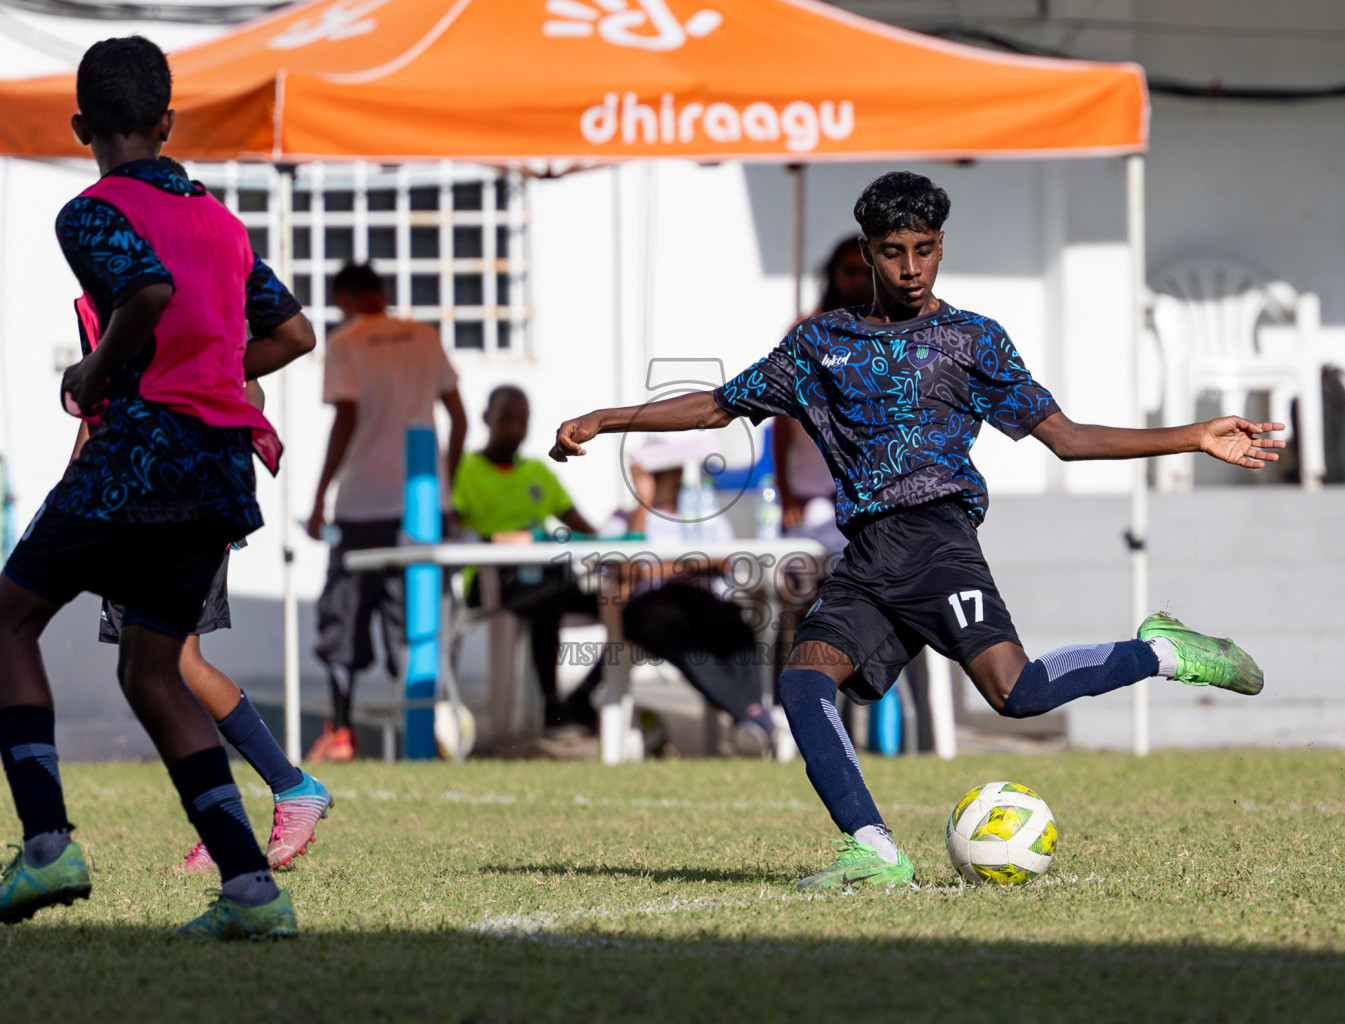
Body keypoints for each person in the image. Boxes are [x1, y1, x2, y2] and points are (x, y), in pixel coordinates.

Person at [552, 170, 1280, 892]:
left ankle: (1161, 651)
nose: (911, 268)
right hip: (866, 557)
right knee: (803, 685)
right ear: (867, 252)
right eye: (894, 251)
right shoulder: (820, 345)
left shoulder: (972, 340)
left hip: (937, 543)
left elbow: (1067, 438)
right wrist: (606, 418)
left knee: (1015, 693)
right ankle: (874, 850)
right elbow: (717, 408)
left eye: (926, 248)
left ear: (940, 245)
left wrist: (1195, 436)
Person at [0, 37, 315, 939]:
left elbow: (146, 290)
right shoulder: (224, 223)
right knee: (154, 671)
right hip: (221, 473)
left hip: (136, 460)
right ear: (167, 123)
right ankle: (250, 890)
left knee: (3, 621)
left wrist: (93, 372)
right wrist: (212, 368)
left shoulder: (88, 211)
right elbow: (293, 333)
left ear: (82, 127)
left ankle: (46, 845)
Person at [72, 277, 331, 874]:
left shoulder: (184, 297)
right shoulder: (105, 306)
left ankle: (283, 792)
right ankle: (242, 815)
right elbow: (95, 413)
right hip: (130, 503)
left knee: (170, 665)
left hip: (180, 505)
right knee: (151, 667)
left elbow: (251, 392)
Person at [306, 262, 467, 762]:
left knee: (344, 621)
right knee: (418, 620)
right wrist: (448, 486)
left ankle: (343, 733)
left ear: (344, 299)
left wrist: (319, 497)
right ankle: (429, 726)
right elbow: (459, 418)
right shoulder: (424, 337)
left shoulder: (344, 342)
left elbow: (347, 417)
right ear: (384, 292)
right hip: (422, 506)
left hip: (363, 506)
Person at [623, 452, 795, 760]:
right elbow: (629, 572)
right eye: (659, 471)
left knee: (734, 625)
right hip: (652, 609)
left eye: (672, 468)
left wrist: (669, 566)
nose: (669, 476)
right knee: (681, 636)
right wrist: (643, 504)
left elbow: (726, 559)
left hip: (698, 602)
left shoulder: (701, 511)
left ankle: (752, 717)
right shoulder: (626, 518)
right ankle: (756, 718)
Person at [453, 385, 601, 733]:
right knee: (545, 598)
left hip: (548, 579)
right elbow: (454, 530)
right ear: (486, 418)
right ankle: (552, 707)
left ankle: (581, 697)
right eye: (506, 419)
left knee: (624, 607)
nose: (514, 429)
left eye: (522, 421)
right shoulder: (464, 470)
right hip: (492, 582)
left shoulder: (538, 471)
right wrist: (502, 539)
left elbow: (582, 526)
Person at [772, 235, 873, 534]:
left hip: (866, 493)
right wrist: (786, 497)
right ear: (833, 273)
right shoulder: (806, 332)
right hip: (809, 491)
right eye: (850, 271)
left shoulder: (888, 332)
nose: (858, 280)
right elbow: (780, 416)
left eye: (867, 272)